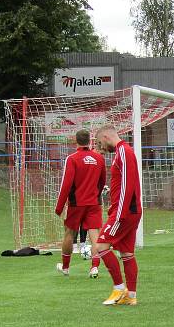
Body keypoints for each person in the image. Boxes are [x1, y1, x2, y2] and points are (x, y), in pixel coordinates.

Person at [93, 125, 141, 306]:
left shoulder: (124, 152)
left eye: (100, 142)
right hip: (127, 211)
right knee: (127, 253)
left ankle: (119, 288)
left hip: (125, 212)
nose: (101, 147)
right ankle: (131, 295)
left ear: (106, 136)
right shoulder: (121, 153)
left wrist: (118, 213)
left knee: (100, 247)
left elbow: (128, 185)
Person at [54, 129, 106, 276]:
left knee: (69, 233)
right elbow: (102, 182)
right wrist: (96, 194)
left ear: (75, 140)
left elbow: (66, 184)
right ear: (90, 141)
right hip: (94, 203)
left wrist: (59, 208)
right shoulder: (99, 158)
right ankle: (94, 267)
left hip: (77, 203)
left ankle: (65, 268)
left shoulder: (72, 159)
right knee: (94, 234)